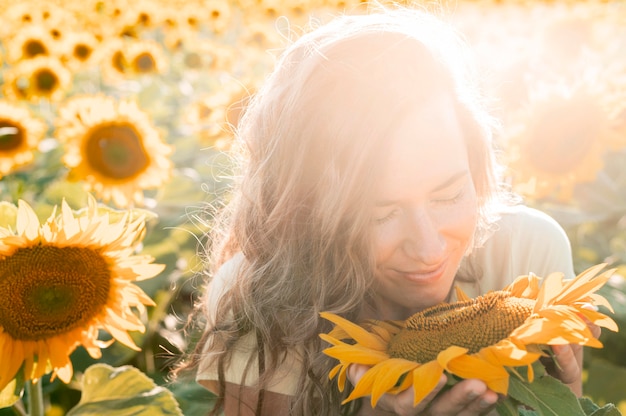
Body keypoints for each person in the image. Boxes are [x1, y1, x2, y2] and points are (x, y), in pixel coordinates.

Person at [178, 5, 585, 416]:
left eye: (448, 195)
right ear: (307, 214)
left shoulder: (528, 259)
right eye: (380, 214)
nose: (428, 249)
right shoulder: (264, 300)